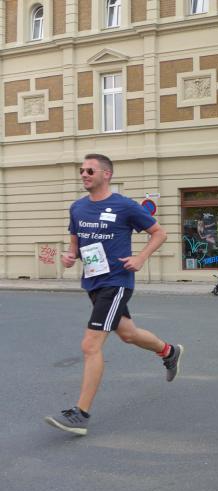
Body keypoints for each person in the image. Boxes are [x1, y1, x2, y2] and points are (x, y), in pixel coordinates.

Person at [44, 154, 184, 436]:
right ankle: (169, 351)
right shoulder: (77, 207)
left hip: (117, 281)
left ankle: (80, 414)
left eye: (90, 170)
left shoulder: (125, 206)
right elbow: (75, 243)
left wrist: (141, 258)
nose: (84, 174)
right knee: (128, 334)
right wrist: (70, 257)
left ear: (106, 174)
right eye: (82, 170)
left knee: (90, 345)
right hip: (93, 282)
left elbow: (159, 233)